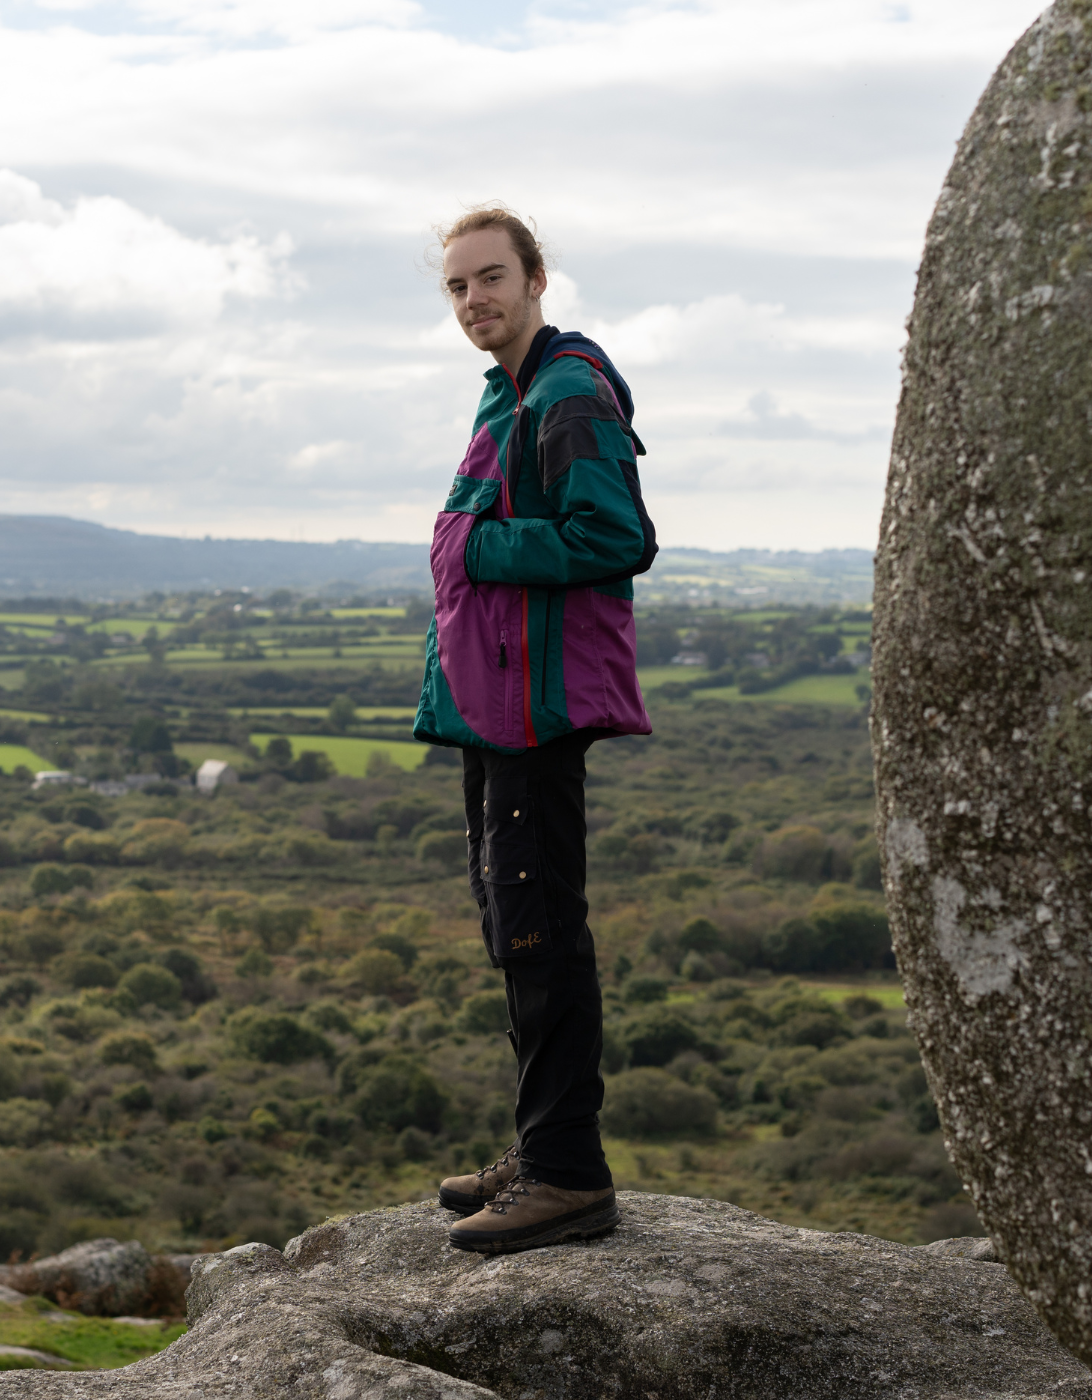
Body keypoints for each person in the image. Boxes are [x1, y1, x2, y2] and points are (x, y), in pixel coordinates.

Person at [413, 205, 657, 1254]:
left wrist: (482, 543)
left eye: (491, 278)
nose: (476, 299)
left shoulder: (566, 392)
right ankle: (540, 1137)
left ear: (536, 277)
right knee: (511, 919)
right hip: (495, 703)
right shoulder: (506, 391)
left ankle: (567, 1172)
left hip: (536, 706)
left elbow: (617, 534)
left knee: (539, 924)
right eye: (458, 286)